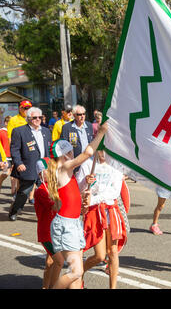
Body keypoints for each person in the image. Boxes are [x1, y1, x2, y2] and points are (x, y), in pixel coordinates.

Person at [47, 122, 108, 289]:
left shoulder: (66, 172)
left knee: (76, 273)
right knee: (76, 272)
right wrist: (101, 133)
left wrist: (83, 199)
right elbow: (88, 152)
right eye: (70, 151)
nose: (73, 153)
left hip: (73, 223)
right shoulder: (64, 168)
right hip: (66, 225)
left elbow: (71, 198)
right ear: (64, 154)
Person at [79, 150, 129, 289]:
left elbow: (114, 191)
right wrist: (85, 182)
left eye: (106, 149)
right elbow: (79, 188)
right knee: (100, 256)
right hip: (95, 212)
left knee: (112, 252)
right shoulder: (88, 164)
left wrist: (93, 198)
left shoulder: (116, 165)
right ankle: (79, 272)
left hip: (110, 210)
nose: (103, 153)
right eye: (100, 149)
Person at [9, 107, 51, 221]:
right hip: (28, 167)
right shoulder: (19, 131)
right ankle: (15, 210)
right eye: (34, 117)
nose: (38, 119)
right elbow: (15, 149)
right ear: (28, 119)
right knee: (24, 192)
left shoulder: (46, 131)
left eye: (40, 117)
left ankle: (49, 213)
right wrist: (18, 163)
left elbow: (48, 148)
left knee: (48, 191)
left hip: (44, 167)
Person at [34, 157, 63, 289]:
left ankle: (45, 287)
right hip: (47, 233)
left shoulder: (53, 187)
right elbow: (56, 206)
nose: (53, 173)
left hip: (55, 230)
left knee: (50, 262)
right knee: (59, 261)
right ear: (41, 173)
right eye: (49, 171)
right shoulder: (41, 190)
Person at [0, 116, 11, 193]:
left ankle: (13, 192)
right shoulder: (1, 132)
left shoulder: (14, 132)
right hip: (5, 156)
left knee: (13, 176)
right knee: (5, 173)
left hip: (13, 156)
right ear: (5, 123)